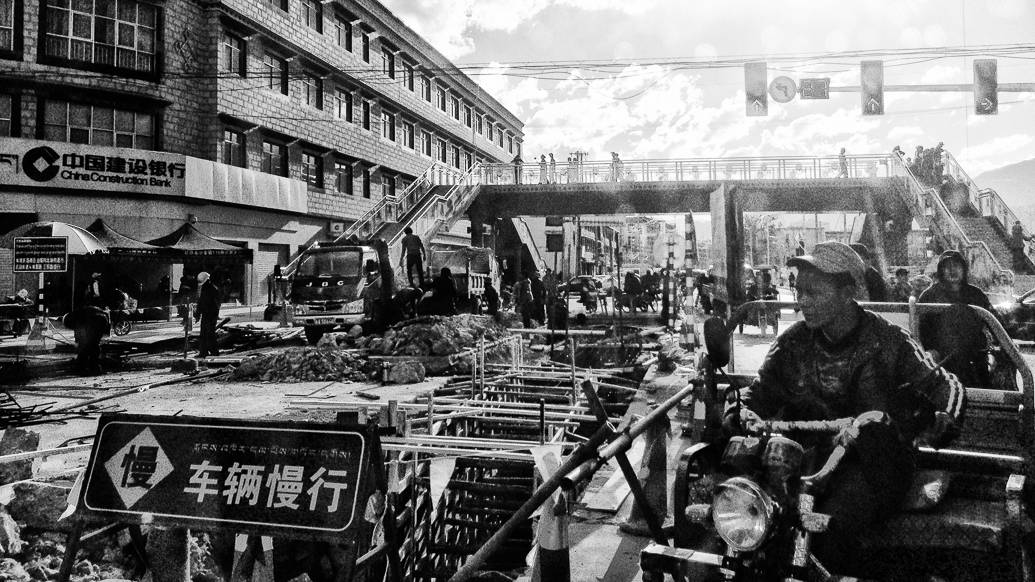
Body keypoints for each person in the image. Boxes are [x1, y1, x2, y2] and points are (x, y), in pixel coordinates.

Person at [725, 241, 965, 576]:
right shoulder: (792, 342)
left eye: (814, 292)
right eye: (799, 290)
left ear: (848, 291)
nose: (802, 301)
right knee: (747, 520)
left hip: (871, 463)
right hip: (807, 460)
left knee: (828, 532)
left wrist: (945, 418)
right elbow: (759, 392)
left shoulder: (889, 340)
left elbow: (946, 385)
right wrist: (740, 412)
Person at [918, 250, 995, 386]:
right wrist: (930, 352)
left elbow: (993, 323)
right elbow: (920, 330)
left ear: (964, 269)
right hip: (940, 360)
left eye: (956, 265)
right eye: (947, 266)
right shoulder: (929, 296)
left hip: (975, 357)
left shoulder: (976, 294)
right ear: (941, 270)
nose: (952, 270)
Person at [63, 304, 110, 375]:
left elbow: (78, 331)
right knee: (94, 343)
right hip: (103, 319)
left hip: (96, 320)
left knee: (86, 346)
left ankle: (82, 368)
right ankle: (93, 367)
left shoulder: (76, 318)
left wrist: (78, 342)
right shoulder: (79, 313)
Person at [195, 271, 221, 358]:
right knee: (203, 334)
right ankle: (203, 352)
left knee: (210, 334)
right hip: (205, 314)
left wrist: (214, 316)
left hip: (211, 315)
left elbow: (216, 305)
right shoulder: (204, 289)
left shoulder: (214, 289)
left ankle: (214, 352)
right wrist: (198, 313)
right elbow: (201, 302)